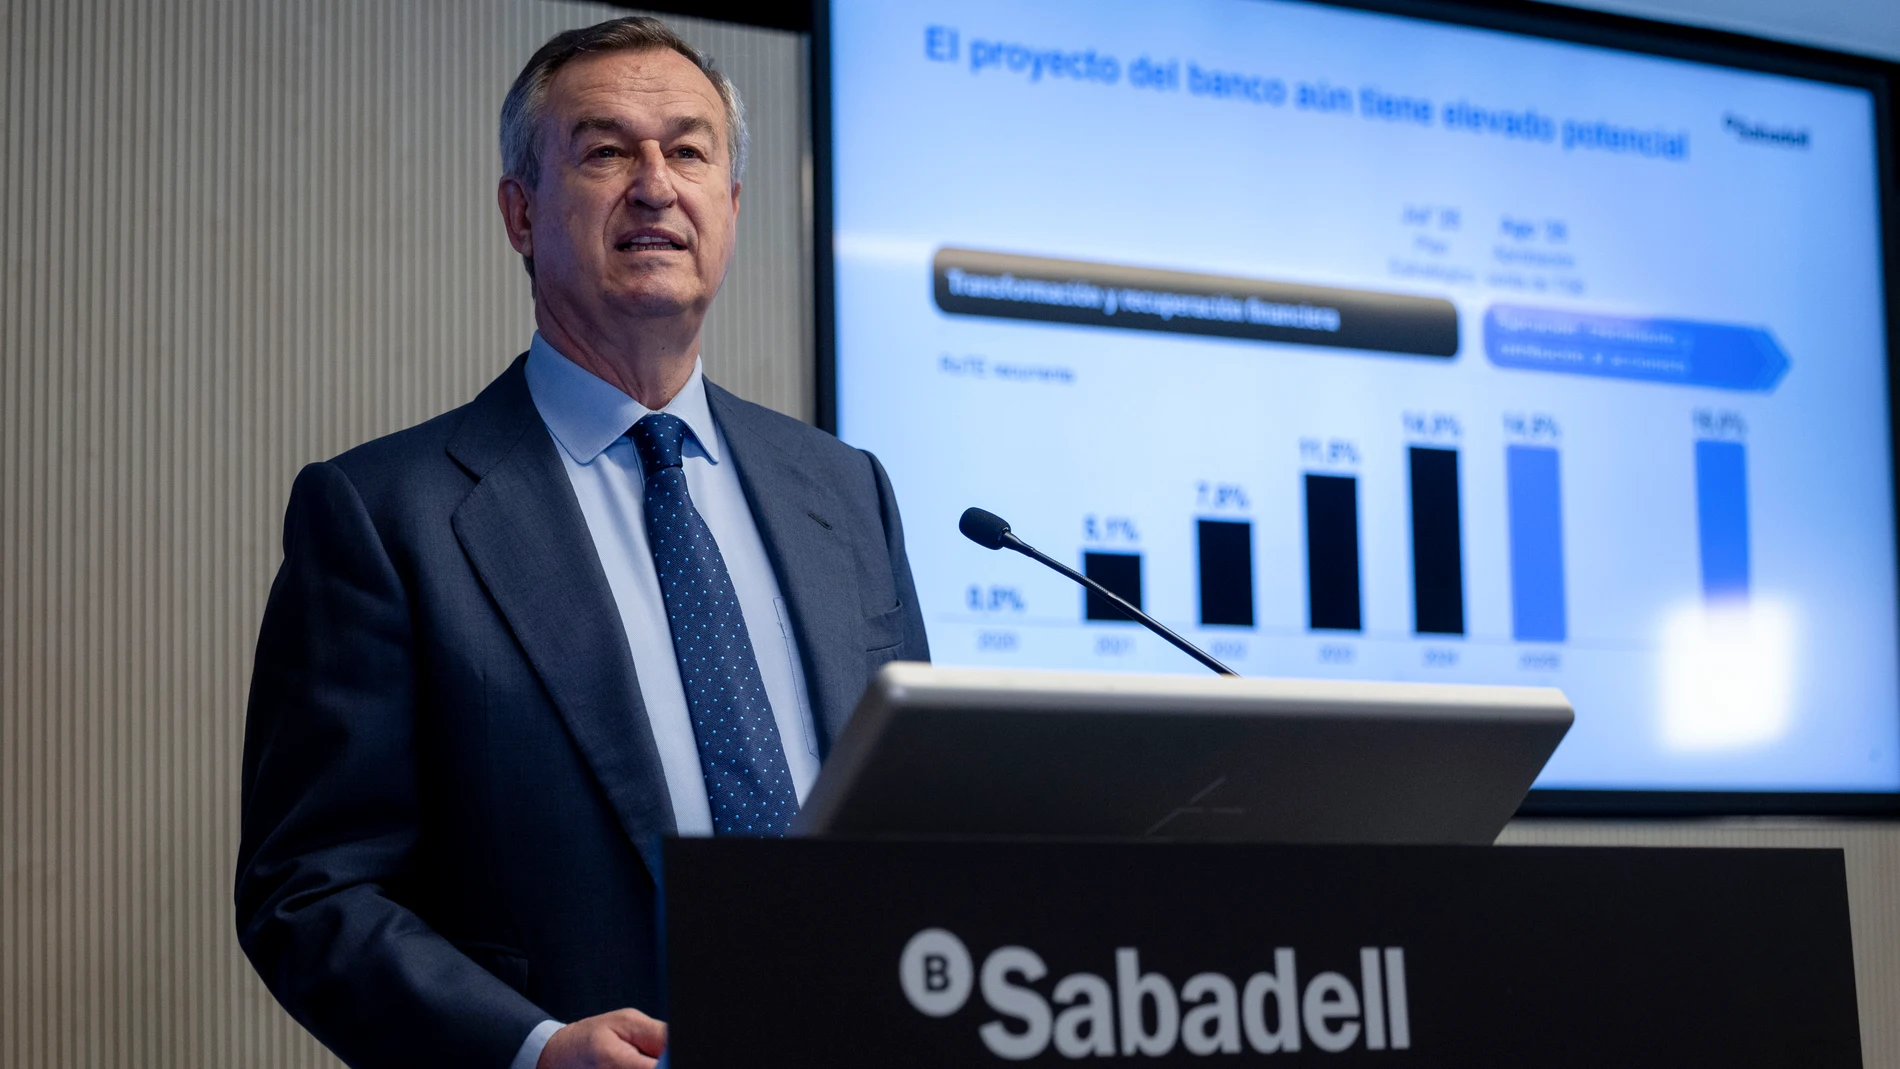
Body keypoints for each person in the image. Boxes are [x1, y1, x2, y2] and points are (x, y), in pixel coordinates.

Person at [233, 17, 928, 1069]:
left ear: (731, 208)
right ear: (520, 212)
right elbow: (311, 888)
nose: (655, 184)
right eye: (605, 151)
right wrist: (534, 1047)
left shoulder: (843, 488)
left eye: (689, 150)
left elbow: (908, 816)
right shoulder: (384, 514)